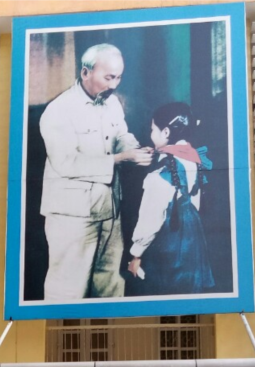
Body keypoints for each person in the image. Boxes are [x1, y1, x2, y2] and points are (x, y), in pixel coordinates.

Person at [39, 43, 153, 301]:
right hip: (72, 216)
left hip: (110, 210)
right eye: (109, 77)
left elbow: (121, 135)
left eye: (119, 77)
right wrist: (121, 158)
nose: (114, 85)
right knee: (68, 290)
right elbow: (66, 162)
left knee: (110, 285)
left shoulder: (112, 103)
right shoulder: (58, 110)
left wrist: (136, 150)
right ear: (85, 73)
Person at [127, 102, 215, 296]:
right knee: (189, 288)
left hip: (170, 240)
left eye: (152, 129)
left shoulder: (159, 175)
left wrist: (136, 254)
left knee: (165, 288)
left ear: (166, 132)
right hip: (194, 236)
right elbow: (195, 201)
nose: (150, 134)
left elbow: (151, 220)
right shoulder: (194, 158)